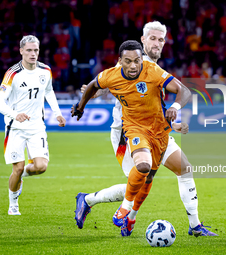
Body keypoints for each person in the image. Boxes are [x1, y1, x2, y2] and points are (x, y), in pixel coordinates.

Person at [75, 21, 218, 237]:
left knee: (182, 169)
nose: (157, 43)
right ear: (143, 40)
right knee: (140, 177)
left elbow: (171, 96)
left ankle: (194, 226)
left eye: (161, 40)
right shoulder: (130, 61)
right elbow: (106, 83)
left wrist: (172, 120)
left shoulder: (154, 69)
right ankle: (89, 200)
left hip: (158, 129)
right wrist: (88, 98)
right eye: (152, 38)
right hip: (127, 132)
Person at [0, 35, 66, 215]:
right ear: (21, 51)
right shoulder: (13, 74)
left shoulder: (45, 70)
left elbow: (49, 91)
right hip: (15, 128)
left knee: (41, 166)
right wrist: (14, 115)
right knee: (16, 168)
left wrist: (57, 113)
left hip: (36, 127)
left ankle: (20, 175)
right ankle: (13, 204)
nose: (33, 54)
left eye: (36, 50)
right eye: (29, 50)